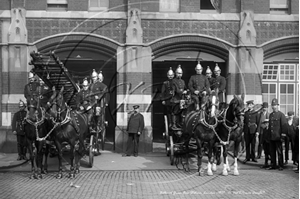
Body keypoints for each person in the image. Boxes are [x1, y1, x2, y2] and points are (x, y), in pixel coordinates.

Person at [267, 98, 287, 171]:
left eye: (275, 105)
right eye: (272, 105)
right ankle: (273, 165)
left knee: (279, 152)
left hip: (278, 137)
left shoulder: (281, 115)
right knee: (272, 152)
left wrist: (282, 136)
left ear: (278, 105)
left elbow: (284, 127)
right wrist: (269, 136)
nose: (274, 107)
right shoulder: (271, 115)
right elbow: (270, 126)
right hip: (272, 137)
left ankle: (281, 165)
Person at [170, 65, 188, 130]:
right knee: (175, 112)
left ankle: (180, 123)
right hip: (175, 99)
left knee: (182, 112)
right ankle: (174, 124)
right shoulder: (173, 81)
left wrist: (187, 90)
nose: (179, 75)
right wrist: (182, 92)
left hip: (182, 99)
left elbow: (185, 88)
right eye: (178, 73)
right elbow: (176, 90)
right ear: (175, 73)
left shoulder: (183, 81)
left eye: (180, 73)